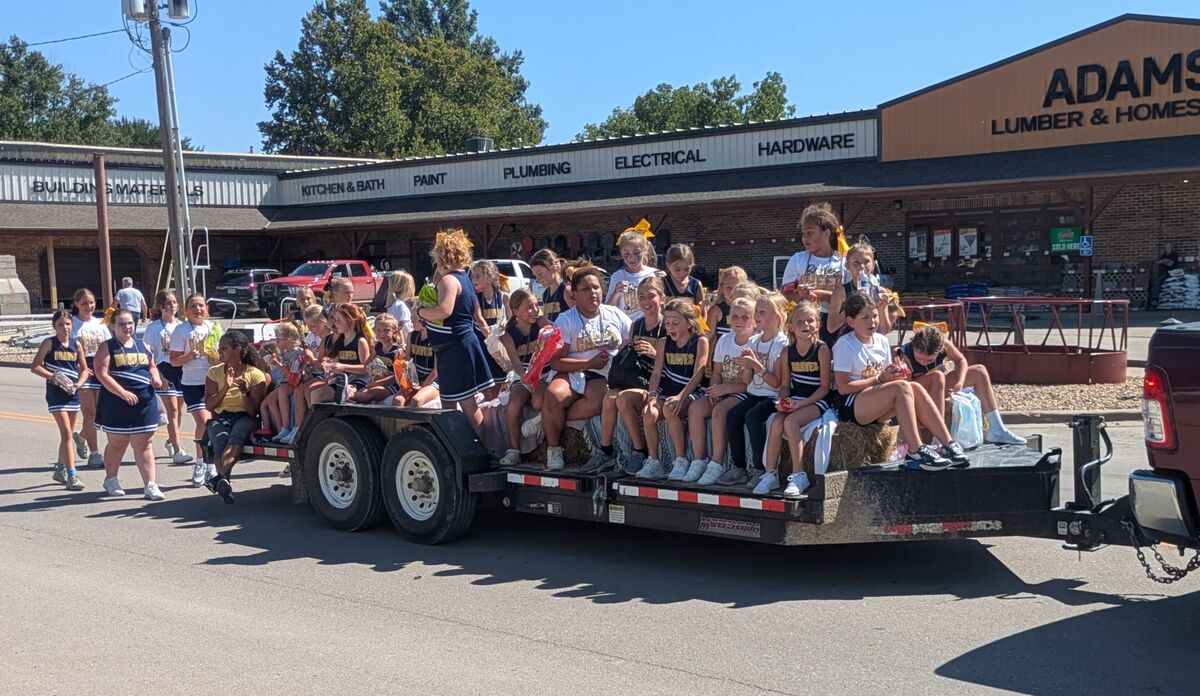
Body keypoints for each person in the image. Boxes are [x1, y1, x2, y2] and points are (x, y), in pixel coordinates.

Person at [833, 293, 969, 471]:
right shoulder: (844, 344)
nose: (872, 322)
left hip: (875, 402)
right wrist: (880, 379)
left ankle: (947, 443)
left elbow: (887, 377)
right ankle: (915, 450)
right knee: (902, 386)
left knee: (913, 386)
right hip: (850, 405)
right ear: (851, 322)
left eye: (874, 316)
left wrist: (896, 373)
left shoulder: (881, 340)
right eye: (865, 318)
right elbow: (843, 388)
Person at [540, 266, 631, 470]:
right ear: (574, 293)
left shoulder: (615, 314)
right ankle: (554, 448)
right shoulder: (566, 319)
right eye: (585, 289)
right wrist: (588, 363)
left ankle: (547, 418)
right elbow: (556, 362)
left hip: (602, 373)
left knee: (601, 402)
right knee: (554, 396)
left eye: (596, 287)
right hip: (572, 369)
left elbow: (631, 340)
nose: (592, 293)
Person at [415, 229, 497, 437]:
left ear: (441, 256)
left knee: (467, 402)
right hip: (453, 347)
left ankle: (485, 447)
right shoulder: (463, 278)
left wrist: (420, 312)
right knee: (448, 401)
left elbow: (444, 310)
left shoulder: (450, 280)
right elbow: (475, 311)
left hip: (456, 348)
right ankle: (456, 443)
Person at [585, 276, 667, 474]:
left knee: (622, 399)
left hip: (656, 382)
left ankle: (639, 451)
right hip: (634, 377)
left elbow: (674, 361)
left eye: (651, 296)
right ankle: (605, 450)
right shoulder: (636, 325)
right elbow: (629, 357)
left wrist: (654, 353)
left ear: (662, 298)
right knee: (609, 397)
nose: (646, 301)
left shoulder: (667, 326)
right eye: (642, 297)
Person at [895, 325, 1026, 445]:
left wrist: (960, 381)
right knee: (937, 376)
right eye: (919, 358)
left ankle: (997, 428)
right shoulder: (905, 354)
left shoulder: (945, 345)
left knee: (979, 371)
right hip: (919, 391)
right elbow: (907, 389)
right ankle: (939, 437)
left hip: (939, 386)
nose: (923, 363)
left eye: (929, 360)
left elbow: (960, 360)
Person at [759, 301, 832, 496]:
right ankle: (770, 474)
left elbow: (825, 387)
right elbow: (784, 385)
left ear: (817, 324)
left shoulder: (821, 350)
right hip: (796, 398)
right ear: (791, 326)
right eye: (799, 321)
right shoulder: (787, 352)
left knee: (791, 422)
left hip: (817, 400)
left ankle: (799, 474)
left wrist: (800, 404)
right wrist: (782, 402)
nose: (805, 325)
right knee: (776, 422)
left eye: (810, 321)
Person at [93, 309, 165, 500]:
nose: (127, 327)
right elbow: (102, 373)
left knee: (145, 444)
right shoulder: (107, 347)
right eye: (122, 324)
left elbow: (151, 366)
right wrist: (123, 393)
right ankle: (111, 479)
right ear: (113, 326)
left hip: (145, 402)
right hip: (116, 403)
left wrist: (156, 377)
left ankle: (150, 485)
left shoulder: (143, 345)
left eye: (130, 323)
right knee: (118, 444)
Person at [685, 297, 756, 484]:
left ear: (755, 320)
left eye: (745, 317)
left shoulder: (756, 342)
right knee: (695, 409)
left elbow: (755, 382)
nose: (739, 321)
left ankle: (717, 463)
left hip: (746, 390)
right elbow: (716, 372)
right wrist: (715, 390)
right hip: (724, 388)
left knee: (719, 412)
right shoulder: (724, 339)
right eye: (735, 317)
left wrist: (728, 388)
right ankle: (699, 459)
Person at [641, 299, 709, 480]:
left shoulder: (700, 341)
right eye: (667, 323)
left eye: (675, 323)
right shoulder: (663, 342)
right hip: (668, 389)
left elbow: (698, 374)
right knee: (649, 413)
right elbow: (656, 374)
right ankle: (654, 461)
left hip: (692, 390)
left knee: (670, 409)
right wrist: (652, 398)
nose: (670, 327)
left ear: (688, 322)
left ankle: (681, 459)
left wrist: (681, 396)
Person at [733, 292, 791, 488]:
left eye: (762, 312)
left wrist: (757, 366)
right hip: (754, 393)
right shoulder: (753, 341)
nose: (757, 315)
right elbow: (747, 380)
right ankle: (738, 467)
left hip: (772, 397)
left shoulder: (782, 344)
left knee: (753, 417)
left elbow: (778, 384)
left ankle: (761, 468)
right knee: (732, 416)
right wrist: (747, 366)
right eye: (756, 311)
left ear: (776, 316)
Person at [203, 331, 268, 504]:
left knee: (236, 437)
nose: (219, 351)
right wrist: (226, 387)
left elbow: (252, 412)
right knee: (219, 442)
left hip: (244, 416)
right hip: (221, 415)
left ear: (237, 349)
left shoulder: (255, 374)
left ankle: (220, 479)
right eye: (219, 348)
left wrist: (244, 392)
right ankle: (224, 483)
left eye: (224, 348)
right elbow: (209, 405)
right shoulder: (214, 372)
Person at [30, 310, 90, 490]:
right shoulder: (49, 343)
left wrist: (79, 383)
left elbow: (85, 369)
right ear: (54, 326)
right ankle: (72, 475)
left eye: (67, 324)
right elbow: (35, 366)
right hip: (56, 394)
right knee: (66, 433)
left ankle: (60, 468)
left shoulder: (76, 345)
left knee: (68, 434)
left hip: (72, 393)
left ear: (72, 325)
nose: (65, 327)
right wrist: (53, 377)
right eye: (60, 324)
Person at [168, 294, 218, 486]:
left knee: (213, 424)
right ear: (186, 310)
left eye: (201, 306)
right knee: (204, 422)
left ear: (206, 308)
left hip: (213, 381)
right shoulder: (181, 330)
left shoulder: (213, 328)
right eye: (193, 306)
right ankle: (201, 463)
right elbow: (173, 360)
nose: (198, 309)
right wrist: (189, 356)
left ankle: (210, 466)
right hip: (192, 383)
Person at [498, 289, 552, 466]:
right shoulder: (509, 334)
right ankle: (513, 450)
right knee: (513, 406)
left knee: (538, 402)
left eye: (536, 305)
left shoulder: (541, 326)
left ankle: (540, 421)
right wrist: (526, 377)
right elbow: (516, 363)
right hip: (524, 375)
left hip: (544, 374)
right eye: (529, 307)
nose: (535, 310)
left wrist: (547, 325)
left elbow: (555, 345)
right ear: (515, 311)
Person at [781, 203, 847, 346]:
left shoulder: (844, 261)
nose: (805, 238)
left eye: (810, 233)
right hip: (805, 323)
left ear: (826, 233)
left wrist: (823, 296)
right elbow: (784, 297)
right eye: (803, 234)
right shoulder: (797, 260)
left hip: (836, 323)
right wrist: (800, 295)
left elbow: (852, 297)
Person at [143, 290, 191, 465]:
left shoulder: (181, 325)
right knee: (172, 411)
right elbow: (149, 352)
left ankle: (171, 441)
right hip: (164, 369)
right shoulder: (154, 327)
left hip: (181, 369)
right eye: (168, 303)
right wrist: (158, 375)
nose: (171, 306)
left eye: (174, 302)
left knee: (178, 411)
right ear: (161, 307)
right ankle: (178, 450)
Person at [301, 303, 372, 413]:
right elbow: (337, 362)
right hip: (342, 379)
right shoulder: (340, 341)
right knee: (315, 394)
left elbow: (366, 368)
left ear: (350, 321)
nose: (335, 324)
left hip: (358, 380)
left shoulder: (360, 341)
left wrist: (343, 366)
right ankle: (320, 426)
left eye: (339, 320)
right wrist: (330, 364)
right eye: (334, 320)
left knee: (345, 393)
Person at [70, 288, 110, 469]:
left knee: (102, 412)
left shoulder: (101, 323)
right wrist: (78, 368)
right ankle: (94, 454)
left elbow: (110, 345)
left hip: (101, 368)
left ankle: (82, 436)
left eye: (91, 302)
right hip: (82, 369)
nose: (89, 306)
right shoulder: (72, 324)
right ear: (76, 304)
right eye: (84, 303)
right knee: (90, 412)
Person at [827, 239, 898, 337]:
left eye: (866, 262)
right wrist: (852, 306)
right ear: (847, 266)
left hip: (872, 344)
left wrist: (881, 309)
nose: (862, 267)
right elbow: (831, 327)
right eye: (856, 263)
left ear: (873, 265)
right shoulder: (841, 292)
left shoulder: (879, 291)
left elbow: (884, 331)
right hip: (849, 343)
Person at [471, 259, 510, 394]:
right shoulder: (475, 297)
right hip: (483, 343)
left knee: (499, 383)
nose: (473, 279)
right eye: (472, 276)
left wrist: (506, 323)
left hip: (498, 345)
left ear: (489, 278)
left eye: (477, 276)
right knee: (485, 386)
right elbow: (480, 319)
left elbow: (510, 318)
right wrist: (490, 339)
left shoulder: (504, 296)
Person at [262, 321, 304, 443]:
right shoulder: (285, 353)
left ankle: (287, 427)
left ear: (288, 339)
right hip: (285, 383)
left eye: (278, 339)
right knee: (268, 401)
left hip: (294, 383)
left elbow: (293, 377)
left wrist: (278, 365)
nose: (276, 342)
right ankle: (281, 429)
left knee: (282, 391)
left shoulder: (297, 353)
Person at [351, 314, 404, 405]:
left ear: (394, 331)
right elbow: (367, 365)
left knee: (368, 394)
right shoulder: (377, 347)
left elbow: (397, 377)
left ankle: (346, 395)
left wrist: (377, 383)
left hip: (391, 385)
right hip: (376, 380)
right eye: (378, 330)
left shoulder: (397, 351)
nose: (382, 334)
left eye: (386, 330)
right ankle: (347, 394)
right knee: (361, 390)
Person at [606, 225, 659, 314]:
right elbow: (608, 309)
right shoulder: (618, 276)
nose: (631, 257)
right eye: (626, 253)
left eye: (636, 253)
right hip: (625, 325)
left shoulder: (653, 274)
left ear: (645, 250)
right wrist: (616, 293)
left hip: (648, 325)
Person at [406, 313, 440, 407]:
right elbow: (407, 360)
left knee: (416, 400)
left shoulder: (436, 339)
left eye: (415, 318)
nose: (411, 321)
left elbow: (436, 371)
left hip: (434, 380)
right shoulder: (411, 335)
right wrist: (400, 356)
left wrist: (422, 387)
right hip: (416, 378)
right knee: (398, 400)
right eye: (411, 318)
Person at [530, 248, 572, 322]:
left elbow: (578, 317)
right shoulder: (545, 294)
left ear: (553, 268)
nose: (538, 279)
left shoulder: (566, 290)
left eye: (540, 274)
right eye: (535, 275)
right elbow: (547, 319)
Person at [1151, 241, 1179, 308]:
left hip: (1169, 272)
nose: (1168, 248)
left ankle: (1155, 300)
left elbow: (1171, 264)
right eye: (1167, 247)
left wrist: (1164, 261)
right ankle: (1154, 300)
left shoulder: (1174, 255)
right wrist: (1166, 260)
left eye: (1169, 247)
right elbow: (1158, 262)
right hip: (1161, 272)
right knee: (1154, 283)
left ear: (1172, 248)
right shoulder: (1163, 255)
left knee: (1157, 283)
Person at [387, 270, 415, 337]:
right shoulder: (400, 306)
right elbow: (404, 328)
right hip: (404, 342)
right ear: (407, 287)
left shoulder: (394, 303)